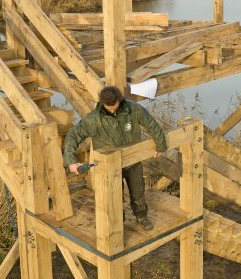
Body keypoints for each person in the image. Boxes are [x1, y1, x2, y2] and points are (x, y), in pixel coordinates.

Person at [63, 86, 167, 231]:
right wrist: (71, 161)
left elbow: (152, 125)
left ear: (120, 100)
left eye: (115, 108)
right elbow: (72, 136)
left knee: (138, 191)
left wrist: (161, 145)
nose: (112, 111)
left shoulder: (134, 109)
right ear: (102, 103)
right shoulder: (94, 119)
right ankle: (119, 221)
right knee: (114, 196)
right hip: (110, 166)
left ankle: (141, 216)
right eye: (109, 109)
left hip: (132, 161)